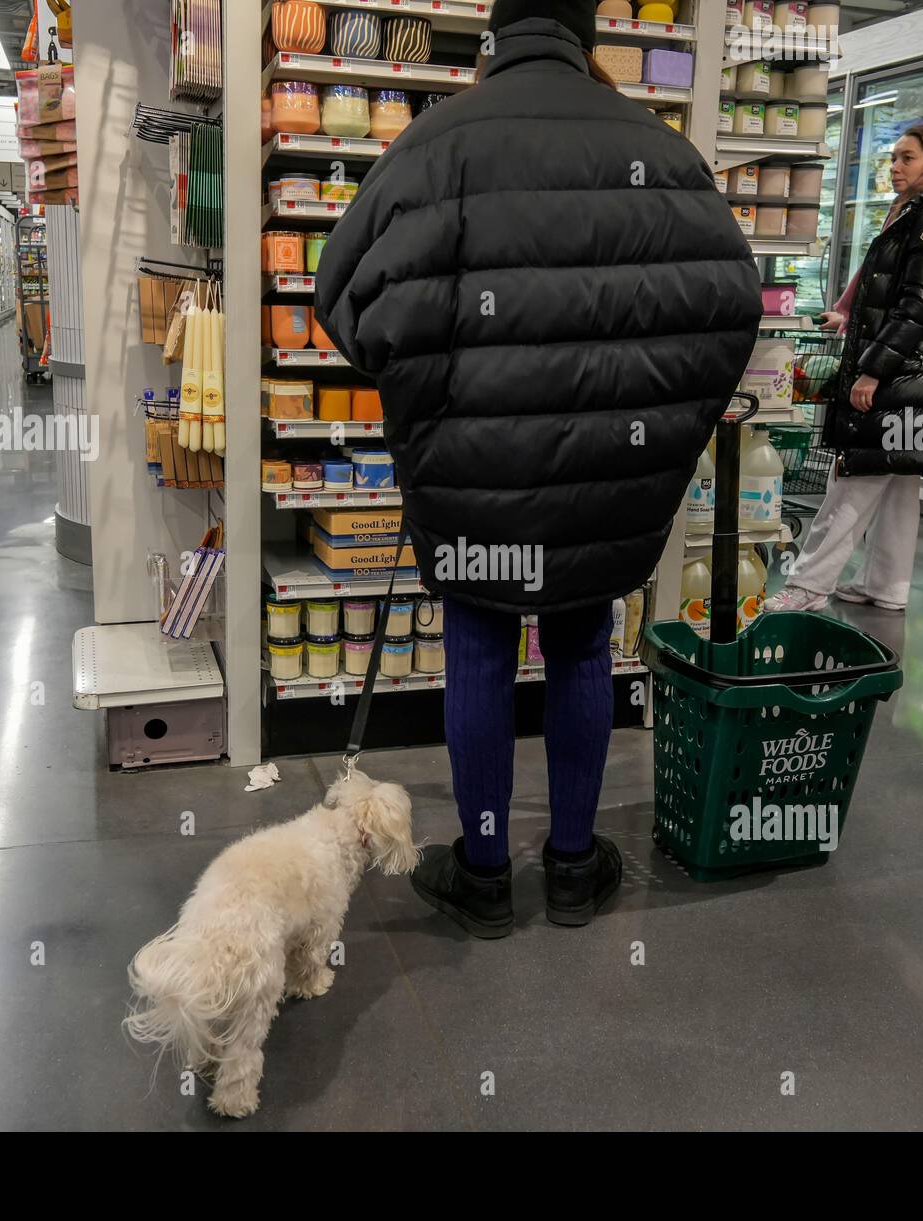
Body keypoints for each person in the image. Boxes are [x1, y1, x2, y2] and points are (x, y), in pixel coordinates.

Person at [316, 0, 760, 937]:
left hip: (469, 461)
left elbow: (341, 295)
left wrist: (418, 388)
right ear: (585, 32)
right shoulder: (656, 148)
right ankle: (570, 864)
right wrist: (659, 418)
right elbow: (730, 302)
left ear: (495, 33)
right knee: (583, 643)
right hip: (604, 469)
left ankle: (482, 872)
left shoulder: (435, 143)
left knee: (476, 645)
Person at [765, 125, 923, 613]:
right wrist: (847, 313)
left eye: (906, 158)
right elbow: (886, 283)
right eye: (893, 157)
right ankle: (887, 585)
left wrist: (873, 370)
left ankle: (807, 585)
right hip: (918, 368)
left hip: (907, 370)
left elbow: (919, 304)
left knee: (858, 474)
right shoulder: (919, 213)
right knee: (899, 480)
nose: (894, 167)